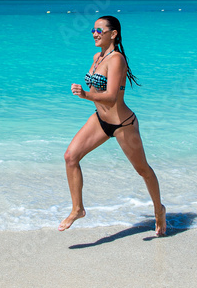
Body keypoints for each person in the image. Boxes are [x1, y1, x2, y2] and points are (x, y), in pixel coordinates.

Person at [59, 15, 166, 236]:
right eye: (93, 30)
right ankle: (78, 209)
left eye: (100, 30)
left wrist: (85, 94)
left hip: (122, 124)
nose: (95, 33)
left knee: (143, 170)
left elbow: (110, 97)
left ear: (113, 34)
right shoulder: (97, 57)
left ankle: (159, 210)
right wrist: (89, 95)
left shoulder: (117, 60)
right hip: (100, 120)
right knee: (70, 157)